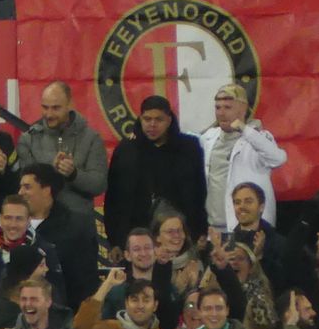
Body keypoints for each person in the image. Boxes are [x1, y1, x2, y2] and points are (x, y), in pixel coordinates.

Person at [104, 95, 208, 251]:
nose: (152, 124)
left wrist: (200, 230)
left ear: (169, 119)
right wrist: (115, 241)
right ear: (140, 119)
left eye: (159, 119)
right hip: (136, 235)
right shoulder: (126, 150)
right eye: (147, 119)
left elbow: (200, 192)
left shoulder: (189, 148)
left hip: (180, 235)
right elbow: (114, 198)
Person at [12, 80, 107, 218]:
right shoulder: (29, 139)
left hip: (78, 225)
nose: (49, 114)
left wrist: (74, 174)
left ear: (70, 105)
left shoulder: (92, 138)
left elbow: (99, 185)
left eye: (56, 108)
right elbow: (24, 187)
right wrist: (52, 170)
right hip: (41, 225)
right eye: (45, 107)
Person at [200, 83, 287, 233]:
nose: (221, 113)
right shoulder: (209, 138)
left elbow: (278, 159)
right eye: (218, 107)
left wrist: (244, 129)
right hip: (215, 230)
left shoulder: (259, 138)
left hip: (250, 229)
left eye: (227, 107)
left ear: (243, 109)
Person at [0, 196, 65, 314]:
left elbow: (58, 298)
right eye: (8, 218)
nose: (13, 225)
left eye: (19, 219)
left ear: (29, 220)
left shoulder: (44, 251)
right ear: (0, 218)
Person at [17, 163, 98, 311]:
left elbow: (85, 282)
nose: (20, 192)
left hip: (60, 316)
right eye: (21, 186)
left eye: (27, 187)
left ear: (46, 190)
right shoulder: (11, 225)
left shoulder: (75, 228)